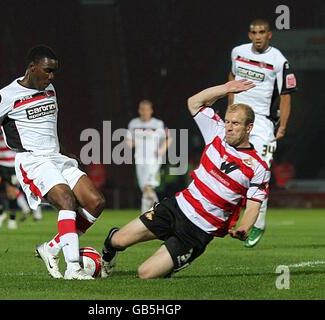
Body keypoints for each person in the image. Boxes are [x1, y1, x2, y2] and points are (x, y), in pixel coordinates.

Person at [0, 45, 105, 280]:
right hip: (33, 160)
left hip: (57, 157)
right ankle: (73, 268)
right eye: (47, 71)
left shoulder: (51, 89)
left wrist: (65, 152)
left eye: (55, 72)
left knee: (96, 202)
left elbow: (48, 127)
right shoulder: (4, 96)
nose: (51, 76)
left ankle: (51, 248)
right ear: (32, 67)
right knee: (66, 200)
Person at [100, 79, 271, 279]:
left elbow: (253, 207)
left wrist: (244, 227)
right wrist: (225, 89)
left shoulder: (258, 167)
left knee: (145, 274)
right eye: (227, 122)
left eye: (235, 123)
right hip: (176, 207)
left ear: (249, 128)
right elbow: (194, 102)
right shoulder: (216, 132)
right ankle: (106, 257)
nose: (229, 127)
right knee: (118, 240)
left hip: (198, 230)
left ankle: (177, 259)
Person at [228, 18, 297, 248]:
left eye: (262, 32)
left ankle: (258, 221)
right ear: (249, 35)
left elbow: (286, 94)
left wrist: (283, 126)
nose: (257, 36)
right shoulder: (237, 52)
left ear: (270, 35)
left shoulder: (279, 60)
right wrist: (230, 107)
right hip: (238, 120)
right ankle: (232, 212)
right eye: (254, 32)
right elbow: (231, 78)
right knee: (233, 168)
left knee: (262, 170)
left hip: (264, 124)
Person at [126, 100, 172, 213]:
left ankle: (146, 214)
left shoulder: (158, 124)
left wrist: (162, 149)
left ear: (151, 110)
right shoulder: (133, 123)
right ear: (139, 110)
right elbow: (128, 139)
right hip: (139, 159)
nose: (144, 112)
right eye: (142, 109)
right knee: (146, 189)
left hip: (154, 160)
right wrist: (131, 144)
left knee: (148, 186)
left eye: (146, 109)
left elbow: (169, 138)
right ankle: (156, 213)